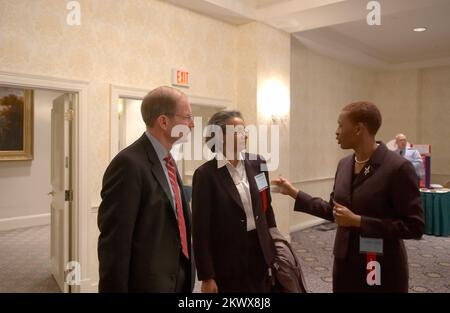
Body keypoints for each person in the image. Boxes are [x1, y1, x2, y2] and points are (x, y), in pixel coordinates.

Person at [272, 101, 424, 293]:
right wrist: (294, 193)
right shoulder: (344, 164)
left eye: (340, 125)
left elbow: (414, 226)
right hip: (345, 263)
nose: (336, 131)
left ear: (359, 129)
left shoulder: (398, 168)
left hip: (380, 264)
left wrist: (360, 222)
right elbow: (334, 211)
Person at [97, 86, 195, 292]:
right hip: (148, 284)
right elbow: (115, 244)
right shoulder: (128, 164)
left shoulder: (168, 160)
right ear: (164, 121)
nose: (192, 124)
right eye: (187, 117)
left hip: (178, 277)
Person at [192, 110, 276, 293]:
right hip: (227, 260)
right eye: (237, 131)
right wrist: (207, 276)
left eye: (244, 130)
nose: (244, 135)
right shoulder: (205, 175)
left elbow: (266, 206)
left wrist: (274, 245)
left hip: (259, 252)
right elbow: (200, 229)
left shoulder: (258, 162)